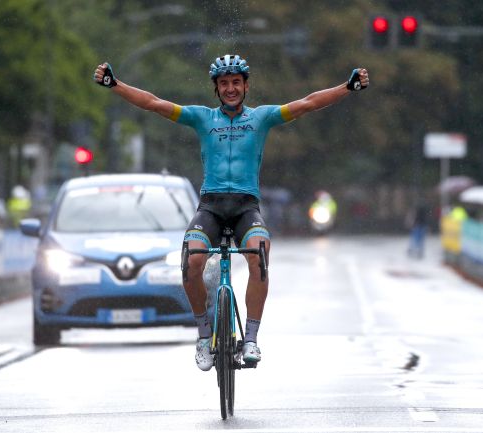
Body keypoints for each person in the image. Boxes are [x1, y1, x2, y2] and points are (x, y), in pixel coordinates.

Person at [94, 54, 369, 371]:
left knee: (260, 254)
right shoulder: (201, 118)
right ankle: (202, 336)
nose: (230, 88)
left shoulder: (262, 118)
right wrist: (114, 85)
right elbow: (153, 103)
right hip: (210, 207)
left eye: (235, 82)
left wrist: (348, 88)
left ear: (246, 86)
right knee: (192, 260)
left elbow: (307, 103)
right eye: (224, 83)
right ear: (216, 89)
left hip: (245, 208)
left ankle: (250, 339)